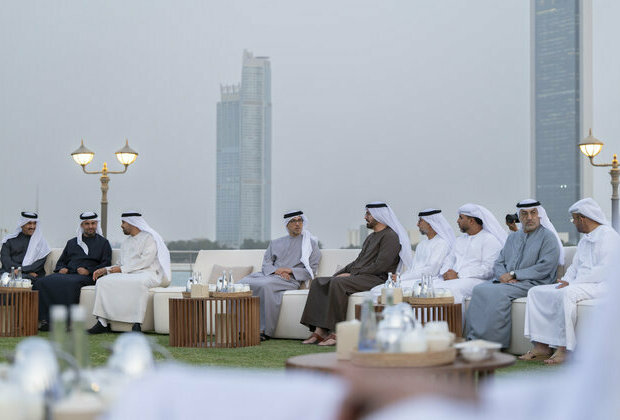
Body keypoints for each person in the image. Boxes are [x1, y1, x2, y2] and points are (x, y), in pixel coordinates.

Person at [521, 197, 620, 364]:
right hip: (582, 284)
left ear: (582, 218)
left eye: (574, 219)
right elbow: (574, 267)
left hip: (603, 284)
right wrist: (565, 281)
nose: (573, 222)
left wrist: (572, 284)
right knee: (536, 292)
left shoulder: (609, 236)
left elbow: (604, 270)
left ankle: (564, 349)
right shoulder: (585, 239)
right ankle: (541, 347)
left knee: (567, 293)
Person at [300, 202, 411, 346]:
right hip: (362, 276)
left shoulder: (390, 236)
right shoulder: (371, 237)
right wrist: (338, 273)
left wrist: (352, 275)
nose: (365, 217)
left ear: (379, 216)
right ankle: (319, 331)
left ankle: (337, 331)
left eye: (368, 214)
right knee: (319, 282)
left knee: (338, 283)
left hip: (378, 278)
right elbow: (357, 262)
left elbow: (381, 266)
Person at [464, 199, 562, 348]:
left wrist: (514, 274)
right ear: (519, 217)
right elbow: (499, 262)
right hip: (508, 282)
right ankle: (474, 339)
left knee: (496, 294)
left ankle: (493, 344)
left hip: (535, 282)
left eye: (533, 213)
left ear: (539, 215)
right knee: (479, 289)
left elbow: (545, 267)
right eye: (524, 214)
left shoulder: (548, 237)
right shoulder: (513, 237)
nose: (529, 217)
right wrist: (504, 276)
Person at [241, 210, 321, 341]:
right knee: (241, 284)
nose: (297, 224)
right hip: (271, 275)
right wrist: (277, 271)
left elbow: (311, 270)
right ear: (287, 225)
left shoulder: (310, 244)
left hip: (291, 279)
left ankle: (264, 330)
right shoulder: (275, 243)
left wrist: (289, 270)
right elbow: (266, 264)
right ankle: (241, 328)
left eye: (300, 220)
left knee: (264, 285)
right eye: (293, 221)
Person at [88, 212, 171, 334]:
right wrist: (106, 270)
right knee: (102, 281)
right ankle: (102, 322)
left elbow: (145, 261)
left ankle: (137, 324)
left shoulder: (149, 238)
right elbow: (120, 263)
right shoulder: (126, 242)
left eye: (123, 223)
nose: (121, 226)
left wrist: (121, 270)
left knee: (138, 283)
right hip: (128, 274)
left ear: (132, 223)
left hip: (148, 273)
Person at [33, 212, 112, 330]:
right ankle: (47, 321)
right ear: (82, 225)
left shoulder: (103, 243)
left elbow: (106, 264)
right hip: (69, 273)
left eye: (93, 223)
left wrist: (88, 271)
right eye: (87, 224)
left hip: (88, 276)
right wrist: (61, 269)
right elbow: (61, 262)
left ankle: (65, 322)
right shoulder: (72, 242)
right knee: (42, 282)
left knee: (69, 285)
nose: (90, 226)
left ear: (96, 224)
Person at [369, 208, 455, 297]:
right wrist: (400, 277)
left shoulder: (441, 243)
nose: (417, 224)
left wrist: (402, 278)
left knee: (381, 291)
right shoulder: (422, 244)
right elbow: (413, 269)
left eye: (420, 221)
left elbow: (431, 271)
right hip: (415, 280)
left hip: (430, 281)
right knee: (377, 290)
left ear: (430, 223)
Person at [432, 204, 505, 305]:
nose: (457, 221)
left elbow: (489, 269)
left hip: (477, 281)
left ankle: (454, 320)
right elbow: (449, 260)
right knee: (429, 288)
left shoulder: (489, 240)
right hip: (454, 279)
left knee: (450, 290)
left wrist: (459, 275)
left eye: (461, 218)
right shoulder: (459, 240)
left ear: (471, 221)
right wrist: (446, 273)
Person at [0, 212, 50, 281]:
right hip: (10, 272)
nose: (32, 227)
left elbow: (38, 265)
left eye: (34, 223)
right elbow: (6, 262)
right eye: (29, 223)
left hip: (32, 275)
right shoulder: (9, 240)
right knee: (5, 278)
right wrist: (24, 271)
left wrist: (22, 270)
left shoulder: (41, 243)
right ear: (22, 224)